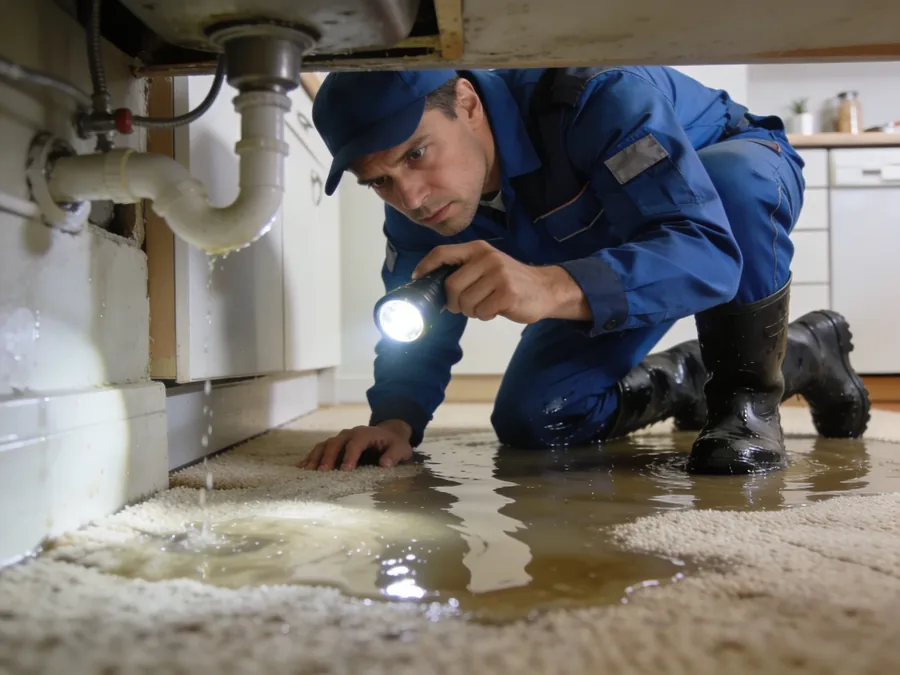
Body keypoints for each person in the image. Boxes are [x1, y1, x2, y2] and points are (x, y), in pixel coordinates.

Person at [300, 67, 870, 475]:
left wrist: (551, 286)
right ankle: (801, 352)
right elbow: (414, 324)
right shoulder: (418, 208)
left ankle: (746, 398)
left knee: (733, 184)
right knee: (536, 419)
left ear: (468, 103)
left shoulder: (594, 98)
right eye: (379, 181)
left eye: (417, 154)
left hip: (721, 188)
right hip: (612, 260)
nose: (412, 197)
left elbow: (710, 254)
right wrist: (395, 421)